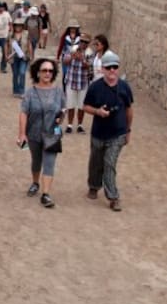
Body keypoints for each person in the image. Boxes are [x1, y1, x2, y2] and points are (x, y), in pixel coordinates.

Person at [82, 51, 134, 211]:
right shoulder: (95, 87)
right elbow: (85, 107)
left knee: (109, 163)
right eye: (109, 67)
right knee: (96, 162)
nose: (112, 70)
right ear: (103, 69)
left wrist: (128, 130)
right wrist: (98, 112)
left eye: (115, 67)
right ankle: (93, 185)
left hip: (117, 133)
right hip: (98, 132)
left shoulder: (125, 87)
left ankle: (113, 197)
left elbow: (129, 109)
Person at [18, 57, 65, 208]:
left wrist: (60, 118)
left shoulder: (58, 91)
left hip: (52, 134)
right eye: (44, 70)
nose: (47, 73)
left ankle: (46, 194)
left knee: (49, 163)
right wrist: (22, 134)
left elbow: (63, 109)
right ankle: (35, 183)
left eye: (50, 71)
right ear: (37, 73)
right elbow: (24, 113)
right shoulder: (30, 92)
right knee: (36, 161)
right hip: (34, 133)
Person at [62, 34, 92, 133]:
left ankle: (80, 125)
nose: (83, 44)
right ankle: (70, 125)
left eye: (86, 42)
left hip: (82, 82)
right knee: (70, 104)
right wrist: (72, 57)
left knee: (81, 105)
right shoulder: (72, 49)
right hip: (71, 81)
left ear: (88, 44)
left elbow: (89, 66)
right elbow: (65, 61)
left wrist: (82, 60)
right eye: (82, 41)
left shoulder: (89, 53)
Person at [55, 21, 82, 87]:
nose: (73, 29)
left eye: (74, 28)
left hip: (75, 58)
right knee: (65, 73)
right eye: (71, 28)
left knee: (73, 73)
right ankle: (65, 89)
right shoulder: (64, 37)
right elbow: (60, 47)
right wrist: (57, 57)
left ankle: (70, 87)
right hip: (66, 58)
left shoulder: (80, 37)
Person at [9, 23, 28, 97]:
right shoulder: (10, 35)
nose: (18, 27)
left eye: (20, 25)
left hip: (23, 57)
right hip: (14, 57)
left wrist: (31, 55)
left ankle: (22, 91)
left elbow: (29, 44)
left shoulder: (26, 34)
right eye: (16, 25)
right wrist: (7, 55)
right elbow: (6, 45)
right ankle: (15, 90)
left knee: (22, 73)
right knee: (15, 74)